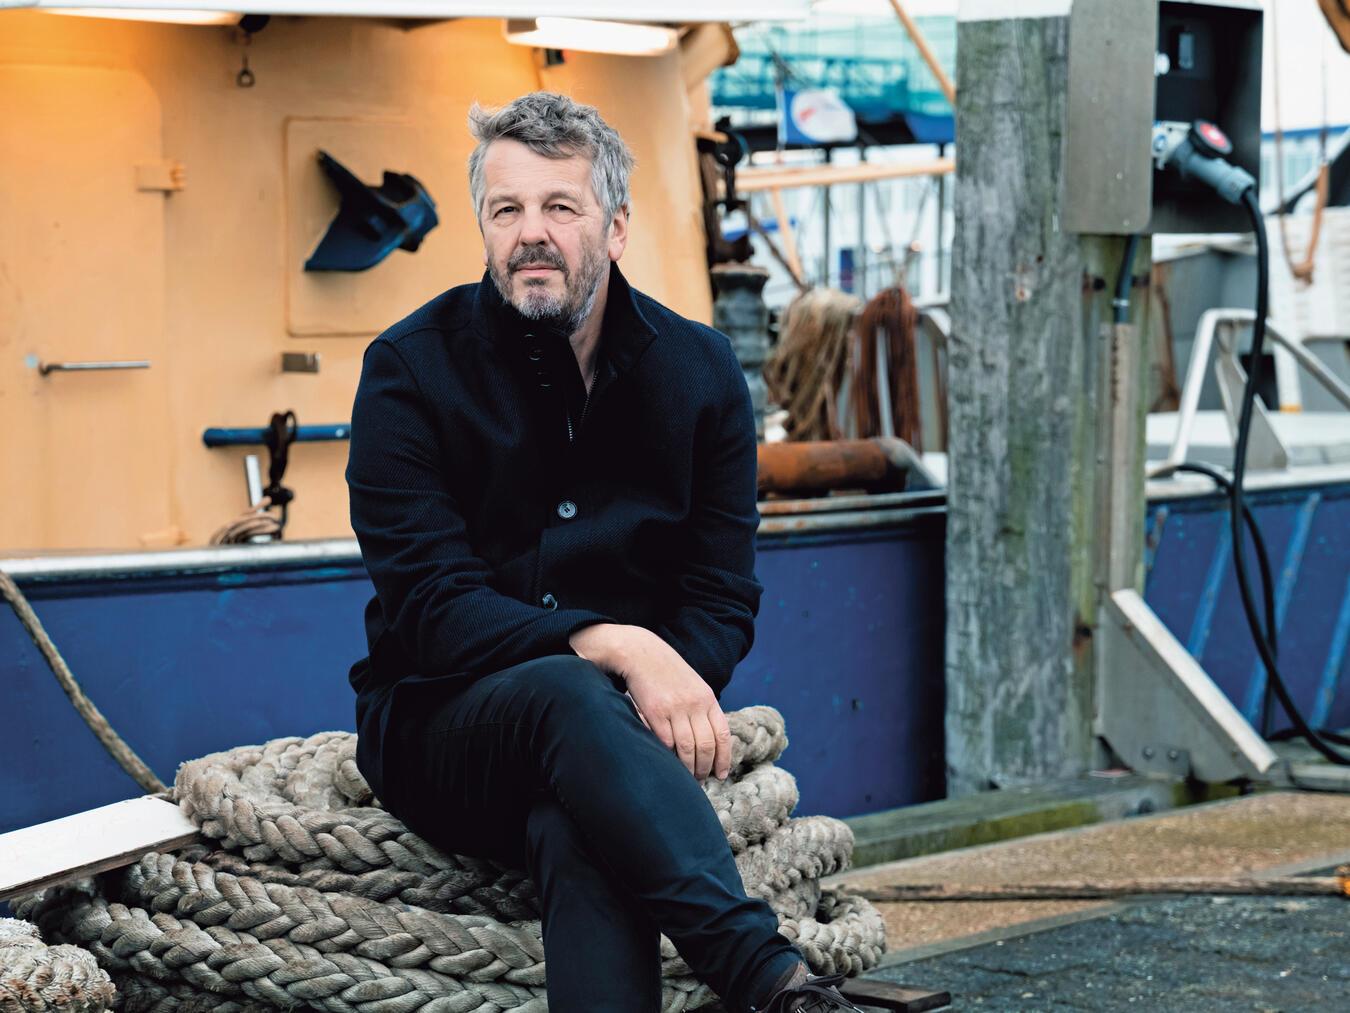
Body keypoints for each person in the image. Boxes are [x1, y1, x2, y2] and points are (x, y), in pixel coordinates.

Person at [345, 91, 861, 1013]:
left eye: (560, 207)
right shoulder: (409, 369)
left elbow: (718, 594)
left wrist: (655, 677)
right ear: (484, 225)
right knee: (566, 692)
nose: (530, 234)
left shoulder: (700, 373)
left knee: (582, 819)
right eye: (507, 210)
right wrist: (619, 645)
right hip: (438, 726)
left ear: (616, 227)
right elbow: (429, 606)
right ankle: (769, 980)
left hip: (608, 743)